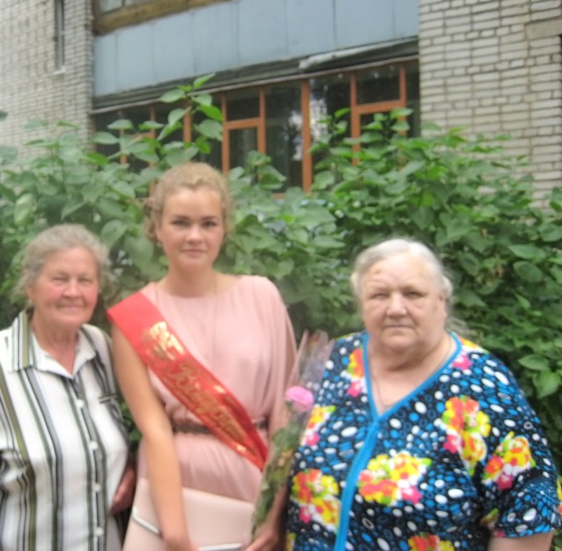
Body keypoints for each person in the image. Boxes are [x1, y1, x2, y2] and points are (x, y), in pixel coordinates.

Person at [285, 237, 561, 550]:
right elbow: (282, 464)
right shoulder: (332, 362)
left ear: (441, 301)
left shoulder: (486, 388)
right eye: (379, 295)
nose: (395, 308)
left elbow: (527, 511)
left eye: (413, 294)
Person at [108, 161, 297, 551]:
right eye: (180, 223)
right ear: (157, 228)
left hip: (255, 479)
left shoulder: (262, 296)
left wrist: (274, 512)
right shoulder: (134, 317)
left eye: (208, 223)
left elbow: (286, 416)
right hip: (173, 488)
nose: (195, 236)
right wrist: (174, 531)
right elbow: (155, 430)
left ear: (224, 228)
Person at [0, 224, 136, 551]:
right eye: (59, 279)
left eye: (85, 280)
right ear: (30, 286)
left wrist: (130, 468)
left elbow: (114, 440)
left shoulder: (102, 349)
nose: (73, 292)